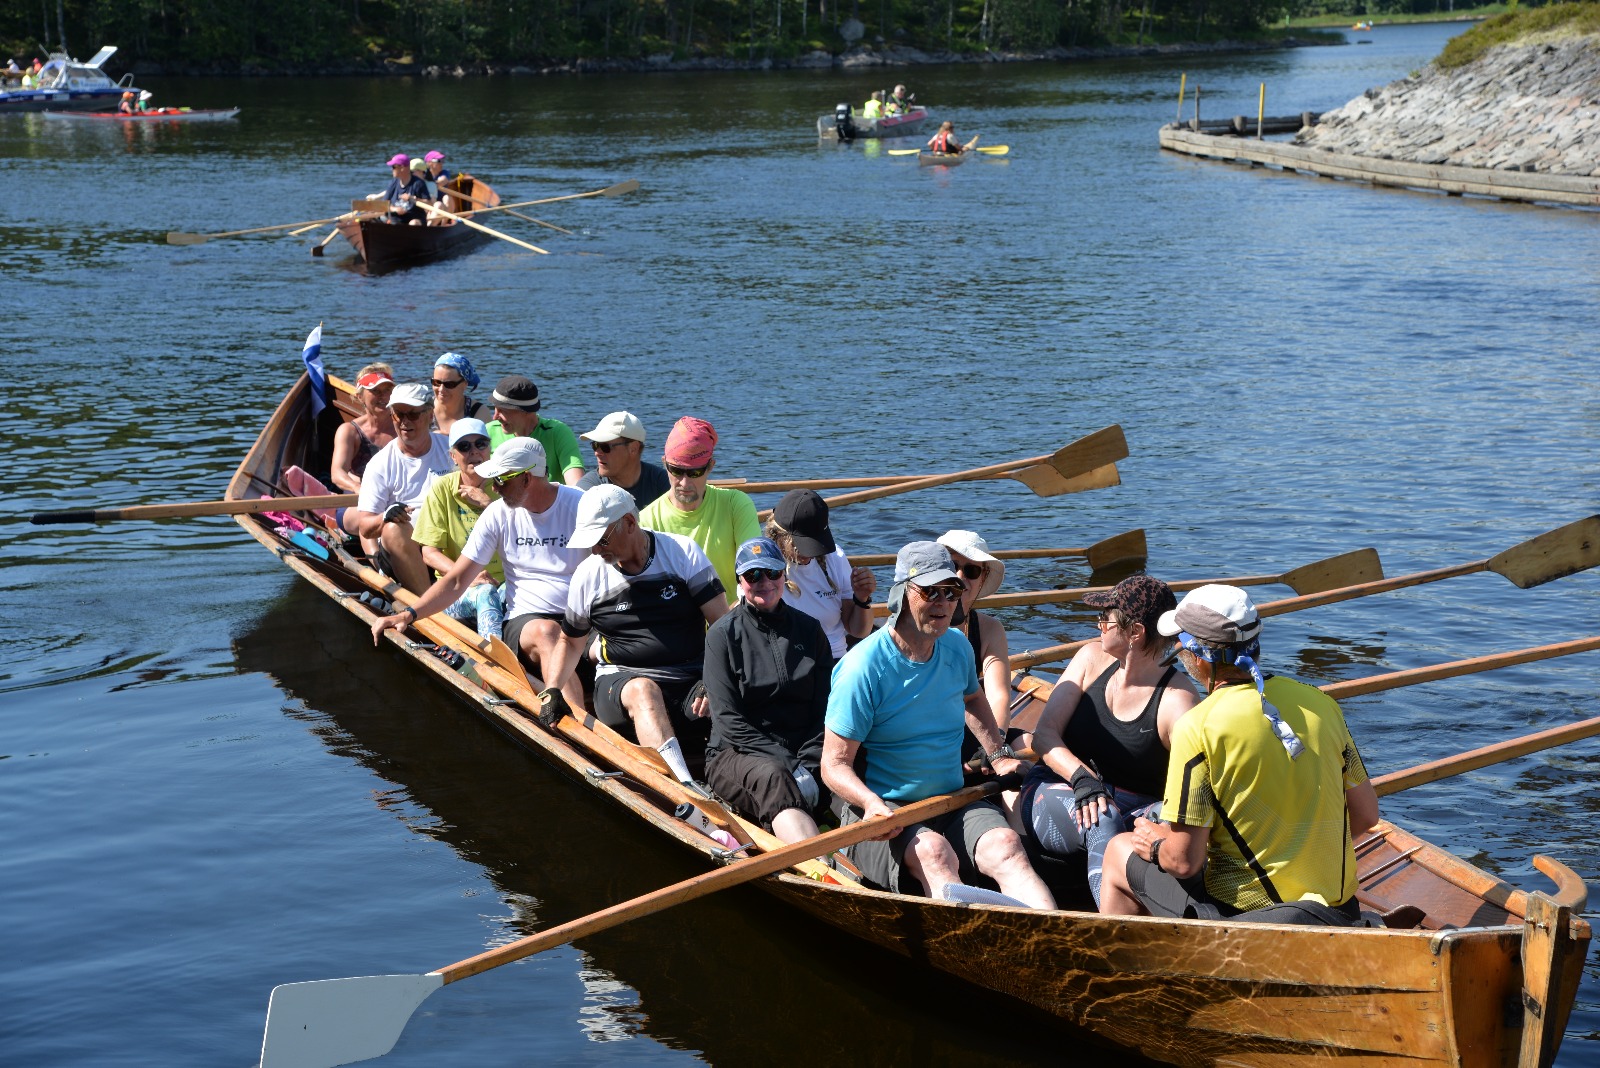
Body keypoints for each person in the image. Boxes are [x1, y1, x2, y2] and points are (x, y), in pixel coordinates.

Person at [1099, 585, 1381, 925]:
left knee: (1118, 850)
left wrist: (1157, 846)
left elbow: (1183, 862)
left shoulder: (1198, 727)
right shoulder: (1322, 704)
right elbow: (1366, 815)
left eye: (1180, 645)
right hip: (1338, 911)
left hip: (1251, 922)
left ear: (1199, 658)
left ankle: (1134, 972)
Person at [821, 541, 1055, 909]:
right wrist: (871, 804)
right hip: (887, 814)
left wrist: (998, 754)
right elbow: (833, 765)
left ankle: (1052, 945)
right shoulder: (861, 668)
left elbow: (974, 699)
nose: (943, 601)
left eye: (952, 591)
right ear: (901, 594)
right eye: (930, 591)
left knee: (1008, 846)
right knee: (934, 852)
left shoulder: (957, 647)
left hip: (952, 800)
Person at [370, 436, 588, 713]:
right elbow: (459, 579)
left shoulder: (582, 506)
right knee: (548, 633)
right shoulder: (498, 514)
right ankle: (578, 732)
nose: (494, 488)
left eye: (501, 480)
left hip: (582, 617)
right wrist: (408, 615)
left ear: (528, 478)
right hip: (528, 621)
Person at [1017, 574, 1198, 906]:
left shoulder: (1177, 700)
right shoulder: (1089, 659)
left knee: (1177, 825)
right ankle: (1111, 926)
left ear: (1135, 633)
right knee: (1103, 818)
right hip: (1062, 786)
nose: (1098, 624)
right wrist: (1083, 777)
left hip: (1139, 805)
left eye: (1105, 618)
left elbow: (1193, 788)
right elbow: (1044, 736)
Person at [539, 484, 729, 785]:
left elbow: (723, 627)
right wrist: (552, 690)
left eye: (601, 540)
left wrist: (714, 680)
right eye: (590, 542)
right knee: (644, 689)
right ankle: (683, 788)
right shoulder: (589, 575)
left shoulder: (682, 553)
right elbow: (571, 641)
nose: (595, 550)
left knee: (736, 692)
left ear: (630, 523)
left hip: (691, 679)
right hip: (622, 682)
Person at [702, 537, 833, 843]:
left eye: (772, 573)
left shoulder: (810, 629)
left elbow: (828, 705)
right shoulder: (722, 635)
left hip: (803, 746)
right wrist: (789, 763)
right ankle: (818, 868)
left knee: (850, 761)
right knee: (775, 776)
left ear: (784, 575)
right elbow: (727, 721)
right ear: (740, 581)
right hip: (737, 752)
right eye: (753, 575)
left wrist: (812, 758)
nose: (764, 583)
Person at [346, 383, 455, 594]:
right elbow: (366, 527)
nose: (404, 422)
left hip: (449, 540)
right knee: (393, 529)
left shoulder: (452, 448)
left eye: (413, 415)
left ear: (430, 414)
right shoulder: (380, 464)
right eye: (398, 415)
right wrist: (385, 517)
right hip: (406, 551)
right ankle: (429, 606)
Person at [639, 417, 760, 605]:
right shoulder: (647, 520)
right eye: (676, 471)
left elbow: (754, 576)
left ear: (710, 466)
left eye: (695, 473)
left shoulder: (737, 505)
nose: (685, 483)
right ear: (665, 464)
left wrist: (723, 623)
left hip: (732, 620)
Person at [409, 418, 505, 641]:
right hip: (457, 593)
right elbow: (429, 553)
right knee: (485, 593)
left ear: (489, 450)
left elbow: (523, 535)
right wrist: (468, 577)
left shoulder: (505, 485)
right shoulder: (442, 488)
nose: (474, 452)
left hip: (505, 583)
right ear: (453, 456)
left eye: (480, 444)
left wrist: (488, 506)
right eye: (464, 447)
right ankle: (494, 661)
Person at [935, 530, 1016, 762]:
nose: (960, 577)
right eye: (952, 565)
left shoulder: (990, 629)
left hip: (975, 731)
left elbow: (998, 695)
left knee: (1028, 744)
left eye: (971, 571)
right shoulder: (919, 625)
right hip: (928, 735)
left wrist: (995, 744)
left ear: (983, 578)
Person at [764, 489, 874, 658]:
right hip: (786, 661)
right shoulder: (762, 565)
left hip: (833, 657)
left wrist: (862, 599)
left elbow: (859, 632)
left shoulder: (834, 557)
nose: (810, 554)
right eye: (801, 545)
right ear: (779, 536)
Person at [329, 364, 399, 549]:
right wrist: (358, 488)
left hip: (396, 499)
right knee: (368, 517)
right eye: (376, 391)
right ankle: (379, 568)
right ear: (360, 396)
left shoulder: (405, 426)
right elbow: (337, 473)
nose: (384, 396)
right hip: (356, 503)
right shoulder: (349, 431)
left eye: (388, 390)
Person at [484, 375, 586, 486]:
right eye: (495, 408)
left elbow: (576, 487)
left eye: (503, 411)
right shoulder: (487, 432)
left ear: (526, 411)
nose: (495, 417)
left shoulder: (557, 433)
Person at [576, 411, 670, 510]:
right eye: (595, 445)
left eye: (605, 447)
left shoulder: (663, 483)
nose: (597, 453)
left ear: (633, 448)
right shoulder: (587, 490)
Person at [429, 352, 490, 438]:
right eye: (436, 382)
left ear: (464, 384)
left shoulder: (478, 412)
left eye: (449, 384)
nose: (441, 389)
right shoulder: (422, 408)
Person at [375, 152, 431, 225]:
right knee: (374, 218)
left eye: (393, 167)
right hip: (396, 219)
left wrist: (412, 199)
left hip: (414, 218)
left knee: (413, 223)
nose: (391, 170)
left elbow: (429, 203)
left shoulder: (418, 183)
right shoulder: (393, 182)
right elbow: (385, 204)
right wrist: (394, 209)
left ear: (402, 168)